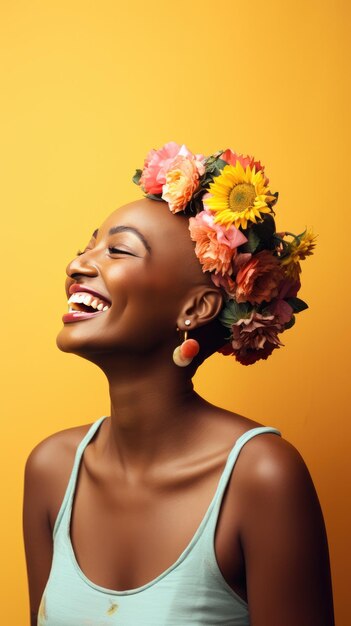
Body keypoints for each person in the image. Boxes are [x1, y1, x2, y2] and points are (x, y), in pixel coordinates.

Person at [23, 143, 335, 625]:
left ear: (196, 309)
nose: (78, 265)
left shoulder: (260, 478)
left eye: (118, 250)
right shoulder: (51, 470)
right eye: (85, 247)